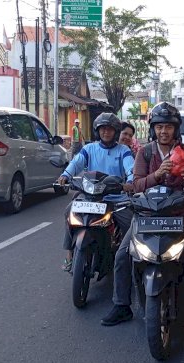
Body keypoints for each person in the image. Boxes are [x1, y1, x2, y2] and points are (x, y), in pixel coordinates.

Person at [100, 102, 184, 329]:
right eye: (159, 127)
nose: (163, 131)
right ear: (153, 129)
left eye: (168, 126)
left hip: (179, 214)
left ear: (175, 129)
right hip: (146, 214)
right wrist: (157, 174)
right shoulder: (145, 153)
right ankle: (121, 305)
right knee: (121, 255)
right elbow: (137, 185)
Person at [57, 113, 135, 272]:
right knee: (69, 212)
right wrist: (65, 175)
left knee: (130, 223)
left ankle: (132, 258)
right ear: (97, 131)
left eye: (110, 129)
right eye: (103, 129)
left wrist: (130, 182)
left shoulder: (123, 150)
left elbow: (130, 168)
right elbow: (76, 163)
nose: (106, 132)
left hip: (115, 197)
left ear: (115, 132)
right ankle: (70, 254)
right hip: (90, 195)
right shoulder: (89, 148)